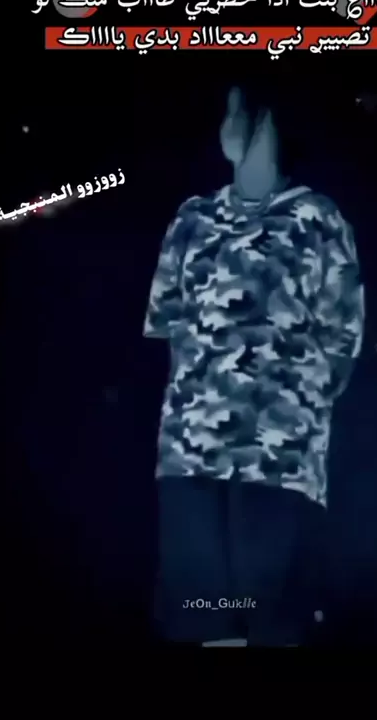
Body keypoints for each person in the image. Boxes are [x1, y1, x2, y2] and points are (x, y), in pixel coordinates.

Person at [143, 87, 365, 646]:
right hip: (191, 455)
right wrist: (196, 409)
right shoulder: (192, 217)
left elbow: (342, 341)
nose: (230, 122)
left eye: (243, 110)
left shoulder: (318, 218)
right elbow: (170, 327)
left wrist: (289, 414)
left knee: (269, 620)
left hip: (278, 460)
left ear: (272, 122)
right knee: (206, 613)